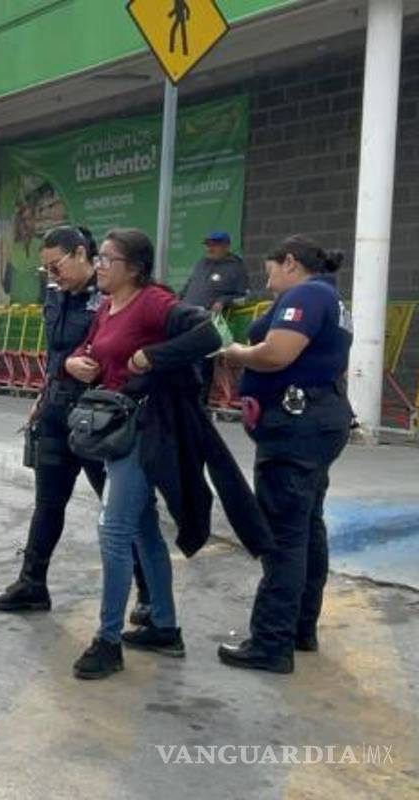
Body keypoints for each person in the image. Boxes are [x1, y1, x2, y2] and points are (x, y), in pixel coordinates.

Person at [64, 228, 272, 680]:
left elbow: (212, 332)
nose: (98, 266)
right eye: (98, 258)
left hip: (146, 431)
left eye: (106, 259)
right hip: (114, 431)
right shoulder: (106, 308)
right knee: (140, 531)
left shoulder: (153, 302)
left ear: (133, 268)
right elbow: (89, 349)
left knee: (114, 532)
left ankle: (107, 641)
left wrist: (152, 357)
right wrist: (76, 362)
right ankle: (163, 625)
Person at [0, 226, 152, 619]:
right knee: (48, 504)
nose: (52, 275)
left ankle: (149, 593)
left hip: (98, 418)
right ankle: (32, 584)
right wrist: (43, 397)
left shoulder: (112, 298)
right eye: (46, 270)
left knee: (118, 513)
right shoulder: (56, 296)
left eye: (56, 266)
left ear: (81, 254)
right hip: (58, 414)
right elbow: (55, 353)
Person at [217, 236, 353, 675]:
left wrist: (238, 354)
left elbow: (276, 354)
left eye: (271, 267)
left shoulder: (308, 294)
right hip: (317, 420)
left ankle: (272, 642)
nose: (268, 276)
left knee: (283, 535)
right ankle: (299, 628)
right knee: (307, 527)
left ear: (290, 262)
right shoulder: (329, 298)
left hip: (295, 427)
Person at [180, 231, 249, 405]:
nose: (210, 248)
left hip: (213, 320)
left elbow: (244, 296)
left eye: (214, 244)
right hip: (188, 317)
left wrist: (223, 301)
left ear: (226, 245)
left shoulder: (235, 267)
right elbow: (188, 287)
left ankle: (201, 402)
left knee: (203, 363)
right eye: (208, 244)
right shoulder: (201, 264)